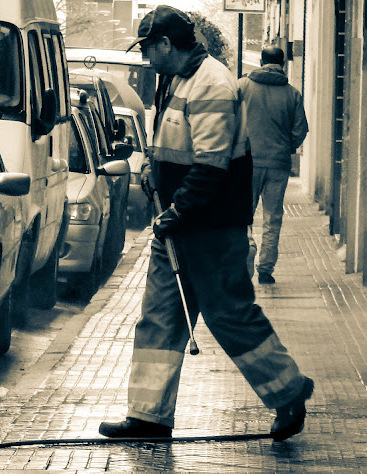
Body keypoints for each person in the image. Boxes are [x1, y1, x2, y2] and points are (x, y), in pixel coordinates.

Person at [98, 5, 314, 442]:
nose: (144, 57)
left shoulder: (212, 81)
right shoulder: (174, 79)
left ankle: (289, 390)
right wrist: (154, 174)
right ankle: (148, 417)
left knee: (229, 314)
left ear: (165, 44)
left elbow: (212, 165)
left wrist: (178, 211)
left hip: (210, 228)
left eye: (147, 48)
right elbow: (179, 147)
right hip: (179, 222)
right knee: (160, 317)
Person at [239, 46, 309, 283]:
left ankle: (246, 250)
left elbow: (228, 119)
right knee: (272, 216)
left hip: (247, 162)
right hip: (278, 163)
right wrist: (286, 146)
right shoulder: (292, 94)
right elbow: (301, 129)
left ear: (261, 61)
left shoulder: (242, 87)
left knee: (242, 214)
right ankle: (266, 269)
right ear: (283, 64)